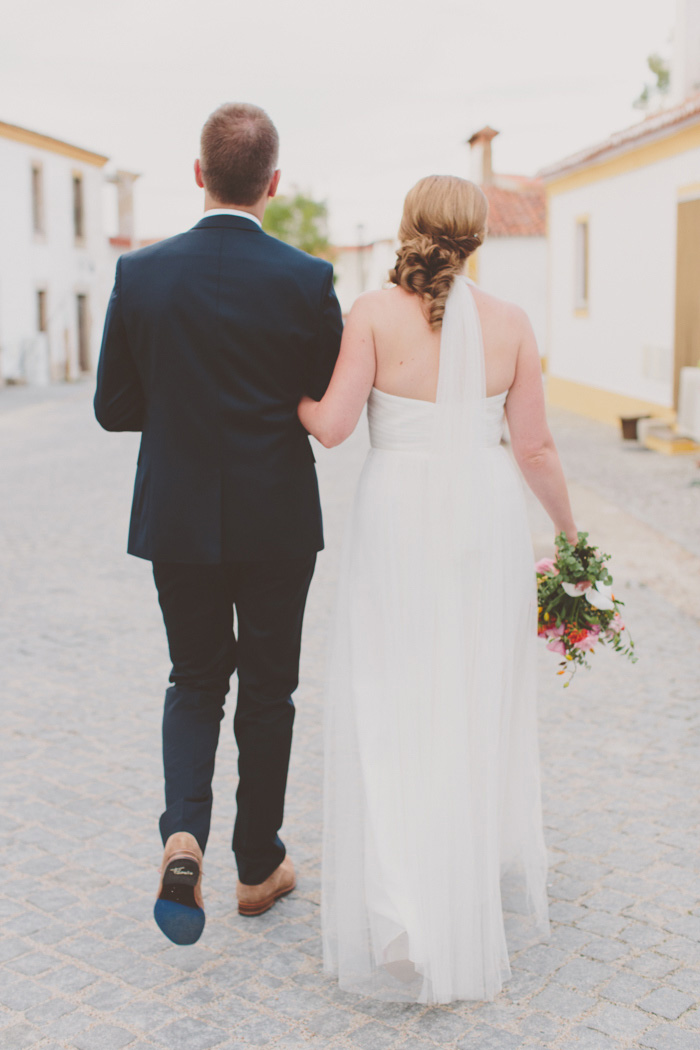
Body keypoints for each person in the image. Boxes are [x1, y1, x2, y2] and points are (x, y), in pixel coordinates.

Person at [298, 174, 579, 1003]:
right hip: (484, 519)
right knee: (471, 687)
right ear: (479, 237)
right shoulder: (513, 324)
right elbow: (535, 449)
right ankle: (458, 868)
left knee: (391, 691)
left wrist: (295, 396)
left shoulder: (374, 313)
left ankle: (401, 899)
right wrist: (569, 537)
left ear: (409, 228)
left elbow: (335, 427)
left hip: (397, 515)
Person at [94, 103, 343, 945]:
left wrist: (184, 414)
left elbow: (112, 407)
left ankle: (182, 833)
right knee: (270, 691)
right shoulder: (308, 280)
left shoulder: (142, 275)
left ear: (198, 173)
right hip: (277, 517)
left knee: (195, 678)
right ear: (274, 183)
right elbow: (318, 398)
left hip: (179, 515)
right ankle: (256, 863)